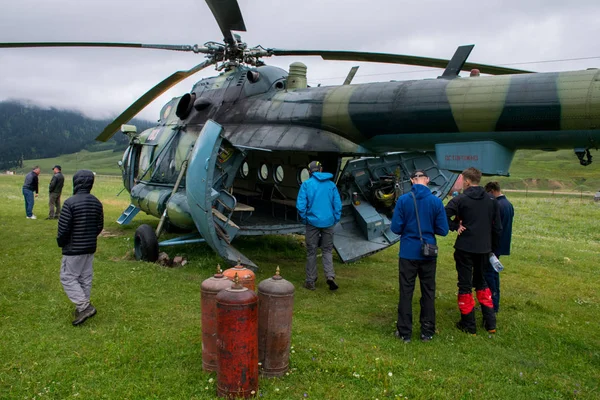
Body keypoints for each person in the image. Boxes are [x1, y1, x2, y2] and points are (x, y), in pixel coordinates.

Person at [391, 169, 448, 343]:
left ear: (412, 181)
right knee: (428, 292)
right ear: (427, 180)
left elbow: (395, 228)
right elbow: (443, 230)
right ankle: (427, 332)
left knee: (406, 292)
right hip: (428, 253)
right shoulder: (436, 202)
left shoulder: (403, 200)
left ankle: (404, 332)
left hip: (408, 251)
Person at [445, 167, 502, 335]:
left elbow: (442, 215)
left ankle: (468, 324)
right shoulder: (492, 200)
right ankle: (490, 323)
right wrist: (492, 249)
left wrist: (455, 226)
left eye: (462, 180)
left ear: (467, 181)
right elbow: (498, 228)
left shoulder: (460, 200)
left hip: (465, 248)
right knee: (482, 283)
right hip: (484, 249)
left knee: (464, 284)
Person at [57, 170, 104, 326]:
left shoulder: (70, 203)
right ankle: (81, 307)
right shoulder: (97, 202)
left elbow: (64, 229)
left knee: (68, 277)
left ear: (75, 182)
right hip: (89, 247)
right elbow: (99, 226)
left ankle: (85, 306)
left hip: (73, 248)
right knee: (85, 277)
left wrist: (62, 242)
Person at [296, 161, 342, 291]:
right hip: (328, 222)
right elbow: (337, 205)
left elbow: (300, 206)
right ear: (321, 169)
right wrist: (335, 219)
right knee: (327, 250)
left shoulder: (306, 185)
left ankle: (310, 281)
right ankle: (330, 276)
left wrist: (306, 219)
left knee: (311, 251)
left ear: (310, 171)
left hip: (312, 222)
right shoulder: (331, 185)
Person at [484, 181, 514, 313]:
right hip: (502, 244)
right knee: (494, 274)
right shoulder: (508, 204)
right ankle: (494, 303)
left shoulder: (497, 205)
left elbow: (494, 228)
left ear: (491, 191)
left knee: (489, 275)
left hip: (494, 245)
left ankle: (492, 304)